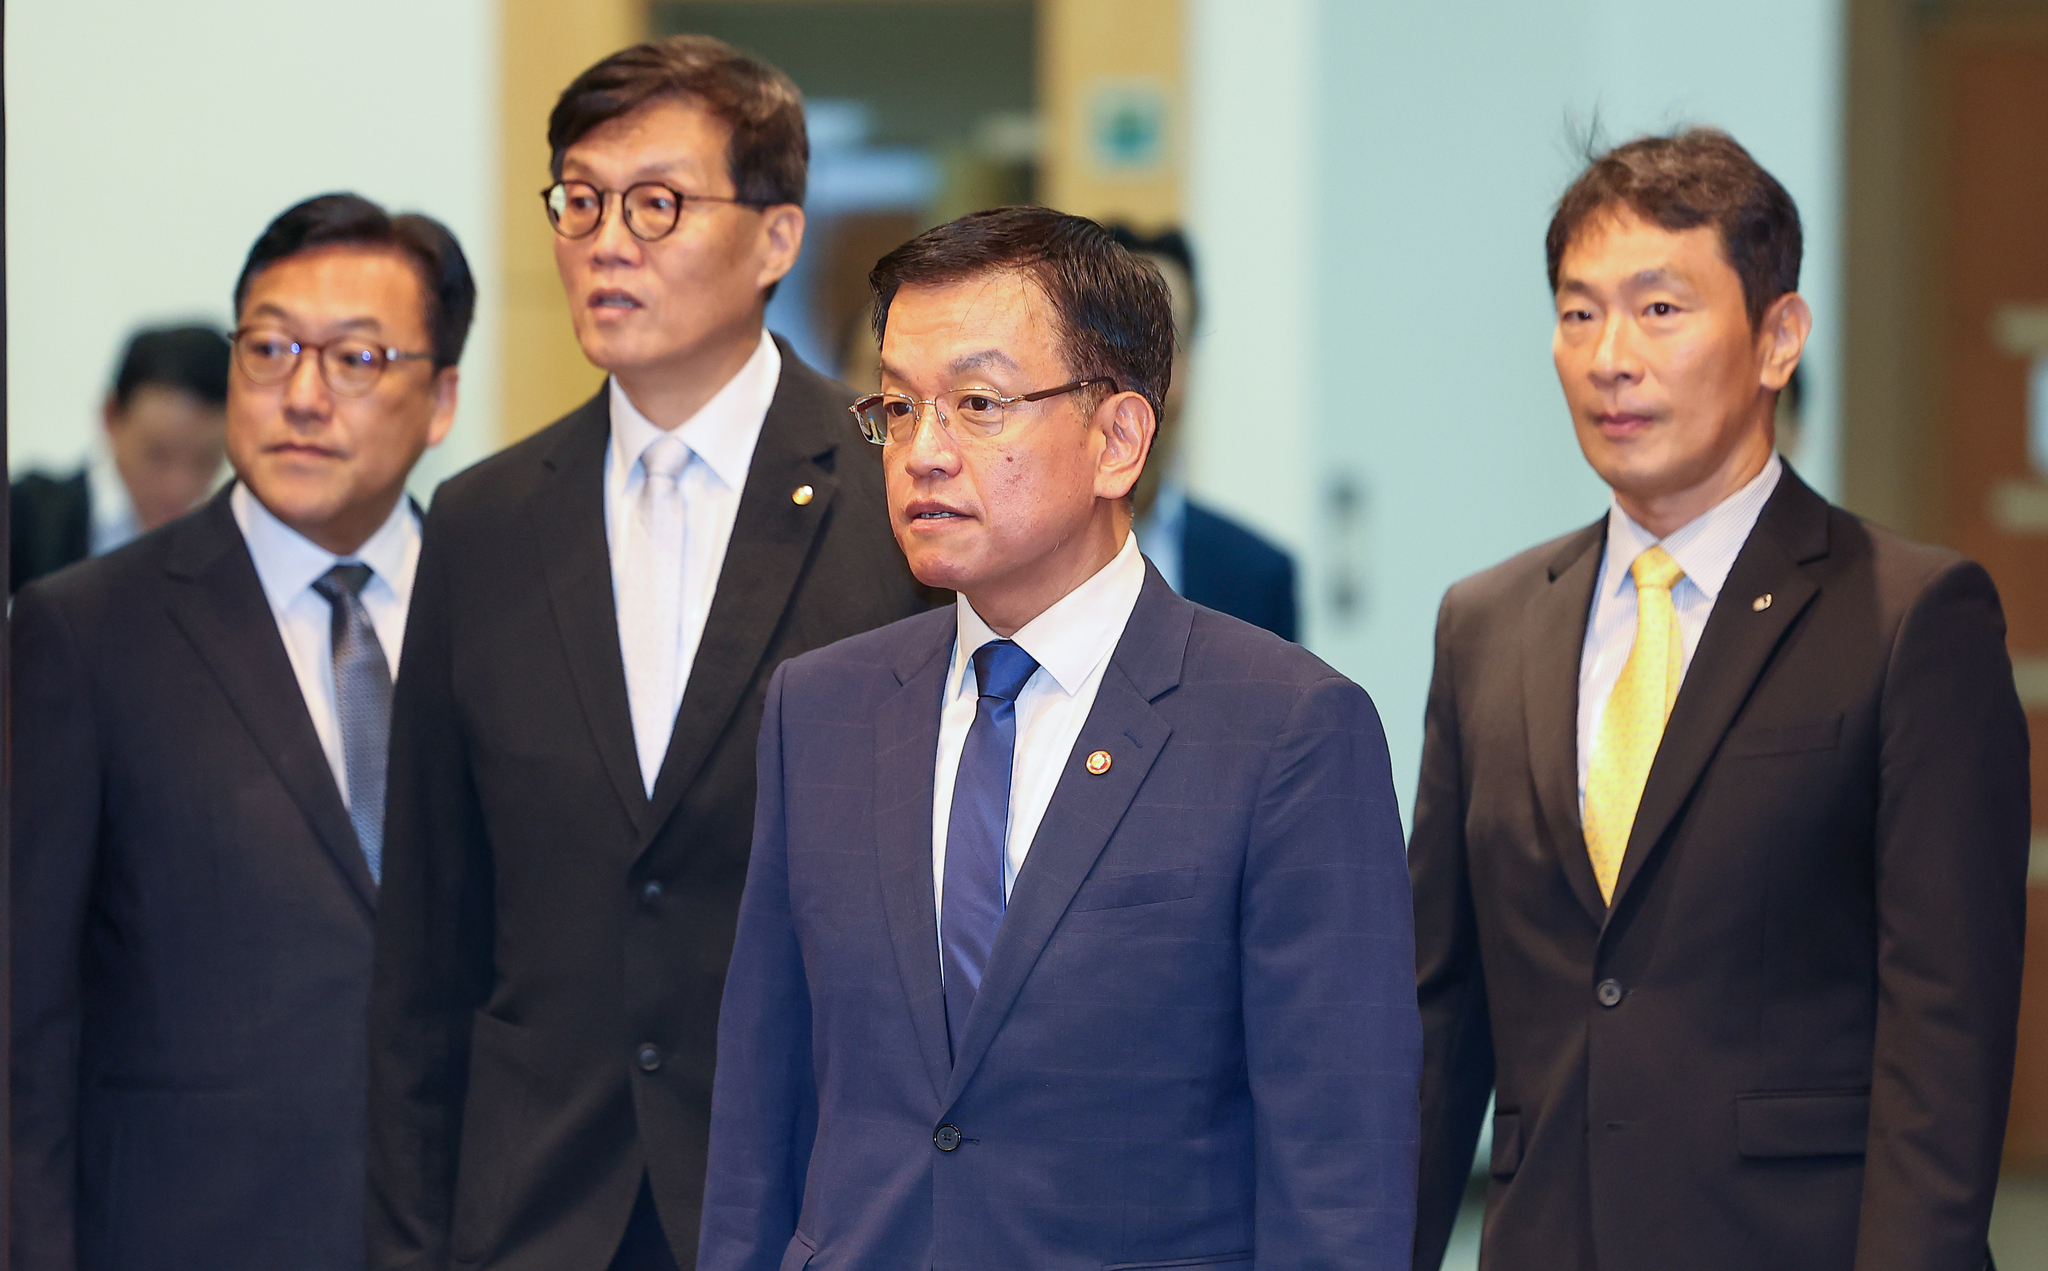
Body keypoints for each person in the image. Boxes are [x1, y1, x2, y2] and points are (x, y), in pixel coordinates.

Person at [699, 206, 1421, 1270]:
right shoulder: (820, 710)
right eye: (897, 407)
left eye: (977, 403)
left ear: (1117, 438)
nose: (923, 451)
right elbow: (759, 1122)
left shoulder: (1284, 731)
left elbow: (1338, 1177)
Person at [1409, 129, 2028, 1271]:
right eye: (1577, 311)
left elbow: (1941, 1034)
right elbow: (1436, 1017)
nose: (1609, 357)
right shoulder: (1484, 624)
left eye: (1658, 309)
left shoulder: (1909, 616)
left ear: (1775, 338)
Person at [366, 35, 929, 1271]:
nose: (606, 238)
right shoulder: (484, 521)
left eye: (656, 203)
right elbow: (426, 942)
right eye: (579, 198)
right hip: (539, 1209)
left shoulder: (896, 496)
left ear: (777, 237)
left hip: (815, 1199)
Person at [10, 193, 471, 1271]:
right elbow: (21, 1023)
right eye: (268, 348)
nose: (301, 394)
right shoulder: (84, 631)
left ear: (441, 396)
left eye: (356, 358)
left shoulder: (509, 610)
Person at [1107, 224, 1298, 640]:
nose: (1136, 383)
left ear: (1190, 364)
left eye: (1161, 345)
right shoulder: (1010, 562)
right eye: (1117, 345)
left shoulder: (1256, 576)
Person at [10, 324, 230, 590]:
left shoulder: (229, 551)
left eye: (205, 460)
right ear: (110, 417)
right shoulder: (24, 519)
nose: (178, 487)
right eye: (157, 455)